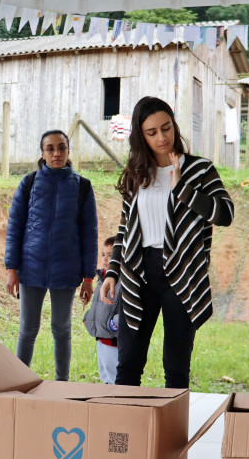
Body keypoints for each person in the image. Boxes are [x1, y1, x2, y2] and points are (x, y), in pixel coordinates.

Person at [100, 96, 234, 389]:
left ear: (174, 126)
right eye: (152, 132)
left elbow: (225, 214)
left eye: (166, 128)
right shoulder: (136, 174)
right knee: (128, 364)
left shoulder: (199, 169)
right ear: (140, 136)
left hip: (183, 274)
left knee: (176, 368)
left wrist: (182, 188)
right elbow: (125, 228)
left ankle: (172, 434)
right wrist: (112, 272)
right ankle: (126, 431)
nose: (162, 137)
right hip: (139, 273)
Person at [4, 129, 98, 381]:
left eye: (61, 148)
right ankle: (18, 382)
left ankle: (61, 384)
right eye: (50, 148)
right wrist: (12, 269)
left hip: (66, 271)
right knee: (27, 328)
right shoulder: (29, 183)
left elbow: (90, 234)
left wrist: (89, 277)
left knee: (61, 329)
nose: (56, 153)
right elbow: (14, 228)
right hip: (30, 269)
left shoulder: (83, 187)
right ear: (42, 153)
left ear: (68, 151)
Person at [83, 236, 122, 384]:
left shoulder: (122, 281)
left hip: (113, 341)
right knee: (105, 378)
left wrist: (114, 324)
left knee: (115, 380)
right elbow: (98, 304)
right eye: (103, 254)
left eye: (111, 255)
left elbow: (127, 309)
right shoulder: (102, 277)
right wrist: (87, 318)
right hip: (101, 339)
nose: (105, 259)